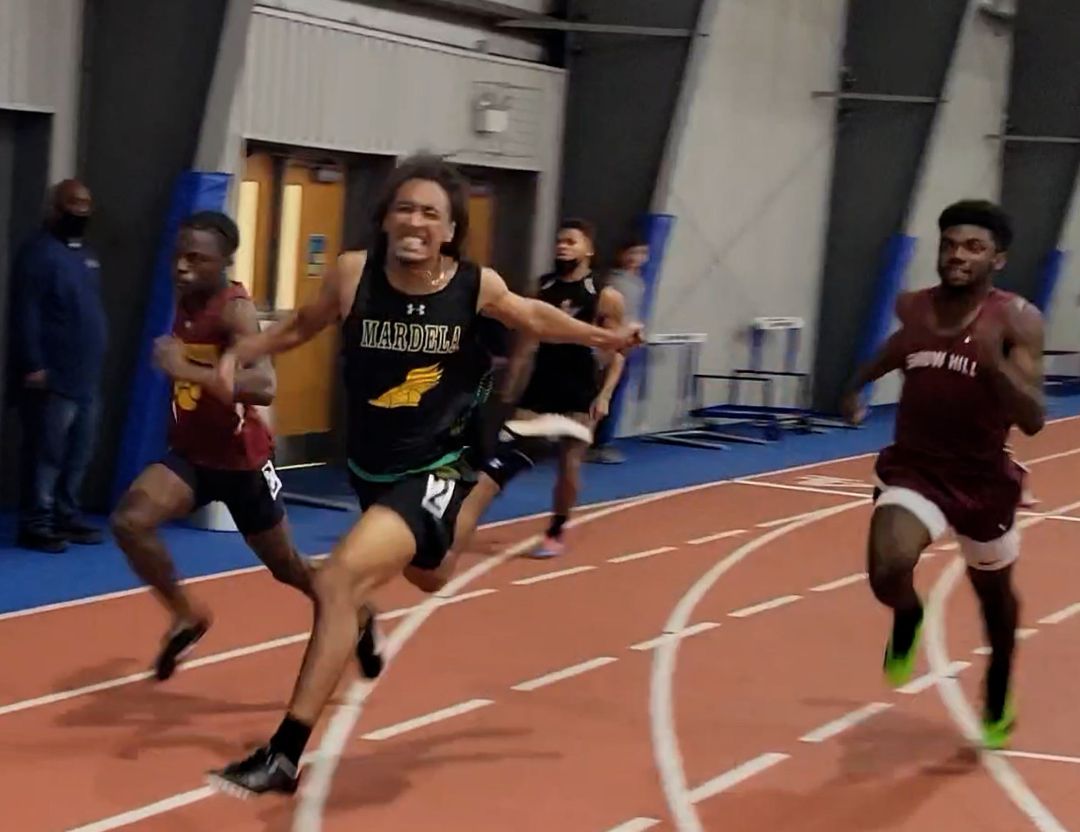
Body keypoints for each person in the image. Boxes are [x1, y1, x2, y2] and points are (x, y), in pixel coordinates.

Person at [206, 154, 641, 796]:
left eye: (430, 213)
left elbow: (533, 316)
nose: (415, 221)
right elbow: (304, 324)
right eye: (405, 208)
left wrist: (602, 339)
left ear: (450, 230)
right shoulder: (354, 274)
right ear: (384, 219)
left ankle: (283, 755)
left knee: (339, 580)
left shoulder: (474, 284)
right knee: (431, 576)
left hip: (437, 463)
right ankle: (506, 464)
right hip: (370, 468)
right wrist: (248, 348)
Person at [109, 212, 378, 682]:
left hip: (242, 464)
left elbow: (263, 386)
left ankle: (356, 610)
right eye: (179, 256)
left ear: (223, 263)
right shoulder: (185, 298)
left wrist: (185, 369)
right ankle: (187, 614)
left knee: (288, 569)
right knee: (130, 522)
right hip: (193, 455)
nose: (182, 267)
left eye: (196, 259)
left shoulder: (235, 310)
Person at [840, 199, 1044, 750]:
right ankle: (909, 615)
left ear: (997, 259)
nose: (957, 255)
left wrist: (995, 363)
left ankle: (999, 685)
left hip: (982, 482)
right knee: (887, 569)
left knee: (994, 600)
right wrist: (858, 384)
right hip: (916, 470)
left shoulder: (1016, 318)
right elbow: (899, 348)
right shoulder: (915, 307)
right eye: (950, 244)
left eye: (973, 248)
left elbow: (1034, 419)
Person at [501, 219, 627, 557]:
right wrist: (512, 382)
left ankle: (556, 529)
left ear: (589, 249)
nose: (562, 246)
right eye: (559, 241)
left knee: (569, 465)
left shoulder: (604, 295)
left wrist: (605, 396)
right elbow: (528, 338)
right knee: (509, 452)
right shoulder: (541, 287)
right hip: (542, 383)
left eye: (571, 241)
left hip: (579, 388)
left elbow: (618, 353)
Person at [9, 179, 108, 553]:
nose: (81, 210)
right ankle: (37, 522)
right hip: (52, 377)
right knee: (45, 454)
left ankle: (66, 515)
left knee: (79, 453)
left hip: (86, 377)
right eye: (73, 203)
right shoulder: (38, 254)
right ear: (55, 207)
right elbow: (26, 312)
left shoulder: (86, 255)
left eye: (86, 203)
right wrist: (33, 363)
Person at [588, 236, 651, 464]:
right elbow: (608, 315)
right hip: (607, 343)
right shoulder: (611, 281)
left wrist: (636, 333)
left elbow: (633, 314)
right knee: (600, 393)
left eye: (642, 253)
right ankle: (589, 442)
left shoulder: (638, 283)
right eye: (632, 253)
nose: (637, 258)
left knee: (613, 393)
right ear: (621, 254)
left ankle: (601, 441)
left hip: (626, 342)